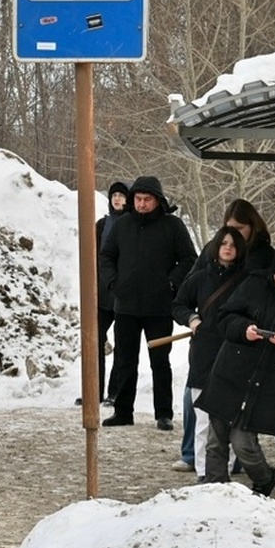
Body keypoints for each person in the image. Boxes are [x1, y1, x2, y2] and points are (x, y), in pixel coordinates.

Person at [195, 245, 275, 496]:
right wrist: (244, 329)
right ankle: (213, 489)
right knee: (216, 437)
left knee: (243, 442)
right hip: (231, 369)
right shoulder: (254, 283)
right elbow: (225, 317)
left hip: (269, 378)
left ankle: (264, 478)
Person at [177, 198, 274, 471]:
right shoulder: (210, 253)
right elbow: (189, 289)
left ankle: (235, 461)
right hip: (207, 341)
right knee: (196, 403)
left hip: (238, 341)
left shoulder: (262, 257)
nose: (231, 241)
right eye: (227, 232)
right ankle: (194, 458)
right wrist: (193, 317)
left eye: (240, 229)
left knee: (233, 408)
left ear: (252, 227)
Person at [99, 175, 198, 429]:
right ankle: (123, 411)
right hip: (125, 305)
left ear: (158, 200)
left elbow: (189, 259)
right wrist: (113, 283)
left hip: (159, 306)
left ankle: (163, 413)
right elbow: (106, 256)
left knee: (160, 361)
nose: (142, 204)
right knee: (124, 360)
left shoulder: (173, 226)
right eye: (138, 199)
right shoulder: (122, 225)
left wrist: (171, 283)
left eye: (147, 199)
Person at [170, 226, 250, 480]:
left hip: (235, 352)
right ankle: (205, 473)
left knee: (230, 417)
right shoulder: (199, 278)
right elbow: (179, 304)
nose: (228, 248)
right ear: (216, 246)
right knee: (203, 419)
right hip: (204, 352)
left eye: (233, 244)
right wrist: (193, 319)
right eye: (223, 243)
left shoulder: (248, 281)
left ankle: (225, 472)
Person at [77, 180, 130, 407]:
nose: (117, 199)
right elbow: (93, 258)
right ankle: (93, 391)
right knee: (94, 341)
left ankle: (115, 392)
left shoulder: (131, 226)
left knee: (123, 344)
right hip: (101, 292)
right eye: (114, 195)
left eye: (121, 195)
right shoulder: (102, 225)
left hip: (124, 294)